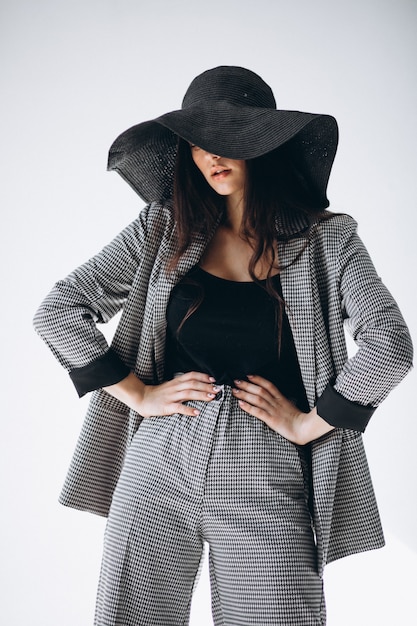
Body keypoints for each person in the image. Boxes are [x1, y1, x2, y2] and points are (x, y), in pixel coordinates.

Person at [34, 66, 413, 626]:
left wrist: (312, 422)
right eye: (202, 142)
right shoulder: (162, 228)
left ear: (265, 147)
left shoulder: (328, 240)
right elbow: (58, 311)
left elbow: (391, 344)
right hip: (160, 459)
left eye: (233, 141)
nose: (216, 155)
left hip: (266, 465)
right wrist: (138, 394)